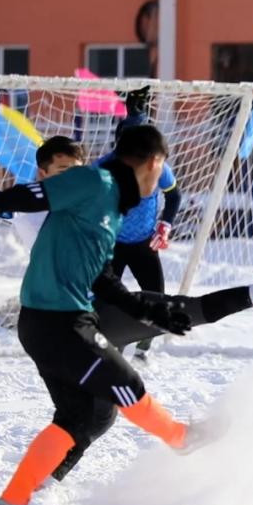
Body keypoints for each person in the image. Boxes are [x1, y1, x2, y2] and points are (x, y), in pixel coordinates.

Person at [0, 136, 253, 485]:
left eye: (77, 171)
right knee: (100, 405)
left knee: (99, 413)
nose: (73, 178)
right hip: (66, 320)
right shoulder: (32, 207)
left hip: (91, 310)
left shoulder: (92, 201)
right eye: (63, 171)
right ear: (42, 174)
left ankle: (41, 484)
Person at [93, 87, 182, 363]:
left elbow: (174, 196)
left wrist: (165, 224)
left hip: (144, 242)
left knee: (157, 296)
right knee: (106, 299)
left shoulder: (158, 166)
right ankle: (109, 346)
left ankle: (143, 348)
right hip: (113, 244)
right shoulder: (103, 167)